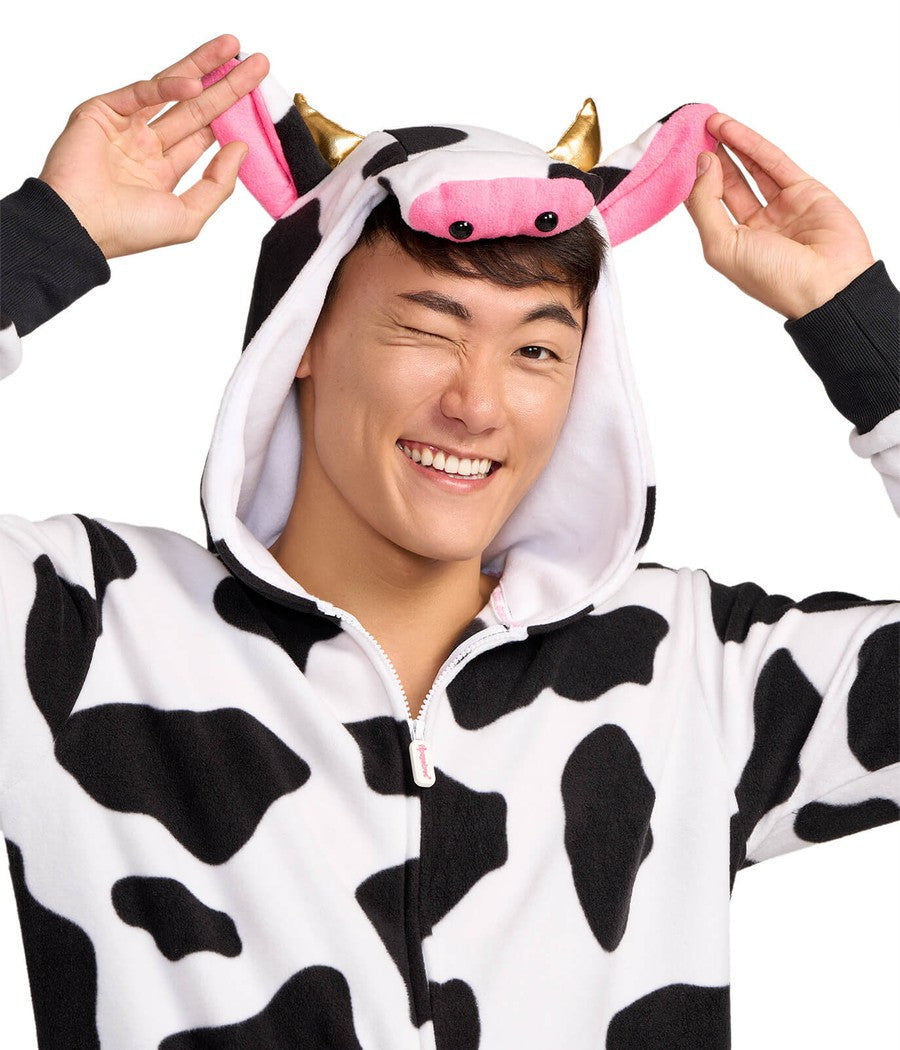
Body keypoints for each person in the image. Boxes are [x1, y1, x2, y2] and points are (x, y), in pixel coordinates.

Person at [0, 31, 897, 1050]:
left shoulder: (697, 672)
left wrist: (861, 328)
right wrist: (41, 240)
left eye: (537, 349)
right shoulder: (83, 633)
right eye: (428, 330)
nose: (477, 404)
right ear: (302, 336)